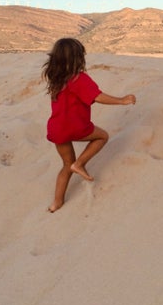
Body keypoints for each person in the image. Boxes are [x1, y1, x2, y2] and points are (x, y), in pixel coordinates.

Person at [42, 38, 136, 212]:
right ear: (79, 58)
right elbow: (97, 96)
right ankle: (80, 163)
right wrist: (121, 100)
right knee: (102, 136)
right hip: (75, 126)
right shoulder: (79, 78)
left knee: (65, 165)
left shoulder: (56, 79)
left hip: (56, 129)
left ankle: (56, 203)